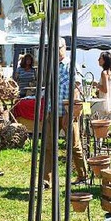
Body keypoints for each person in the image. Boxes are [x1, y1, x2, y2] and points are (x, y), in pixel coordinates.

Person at [43, 37, 88, 188]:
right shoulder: (50, 65)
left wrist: (70, 113)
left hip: (68, 112)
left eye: (58, 48)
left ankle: (82, 175)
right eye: (53, 49)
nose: (55, 52)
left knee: (74, 145)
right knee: (49, 146)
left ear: (65, 48)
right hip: (52, 110)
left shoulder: (71, 64)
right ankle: (46, 180)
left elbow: (76, 88)